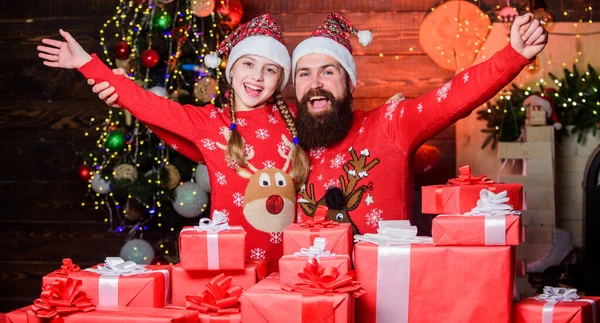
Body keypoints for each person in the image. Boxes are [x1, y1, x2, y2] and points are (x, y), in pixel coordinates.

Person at [37, 14, 310, 272]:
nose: (257, 76)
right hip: (232, 264)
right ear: (232, 68)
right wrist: (88, 64)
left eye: (270, 69)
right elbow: (150, 106)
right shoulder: (209, 123)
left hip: (293, 264)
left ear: (280, 81)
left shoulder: (295, 118)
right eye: (248, 63)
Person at [290, 12, 547, 234]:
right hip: (305, 286)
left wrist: (513, 55)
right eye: (304, 74)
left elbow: (452, 98)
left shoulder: (389, 124)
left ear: (350, 83)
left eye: (327, 71)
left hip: (385, 284)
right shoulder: (286, 137)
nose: (315, 84)